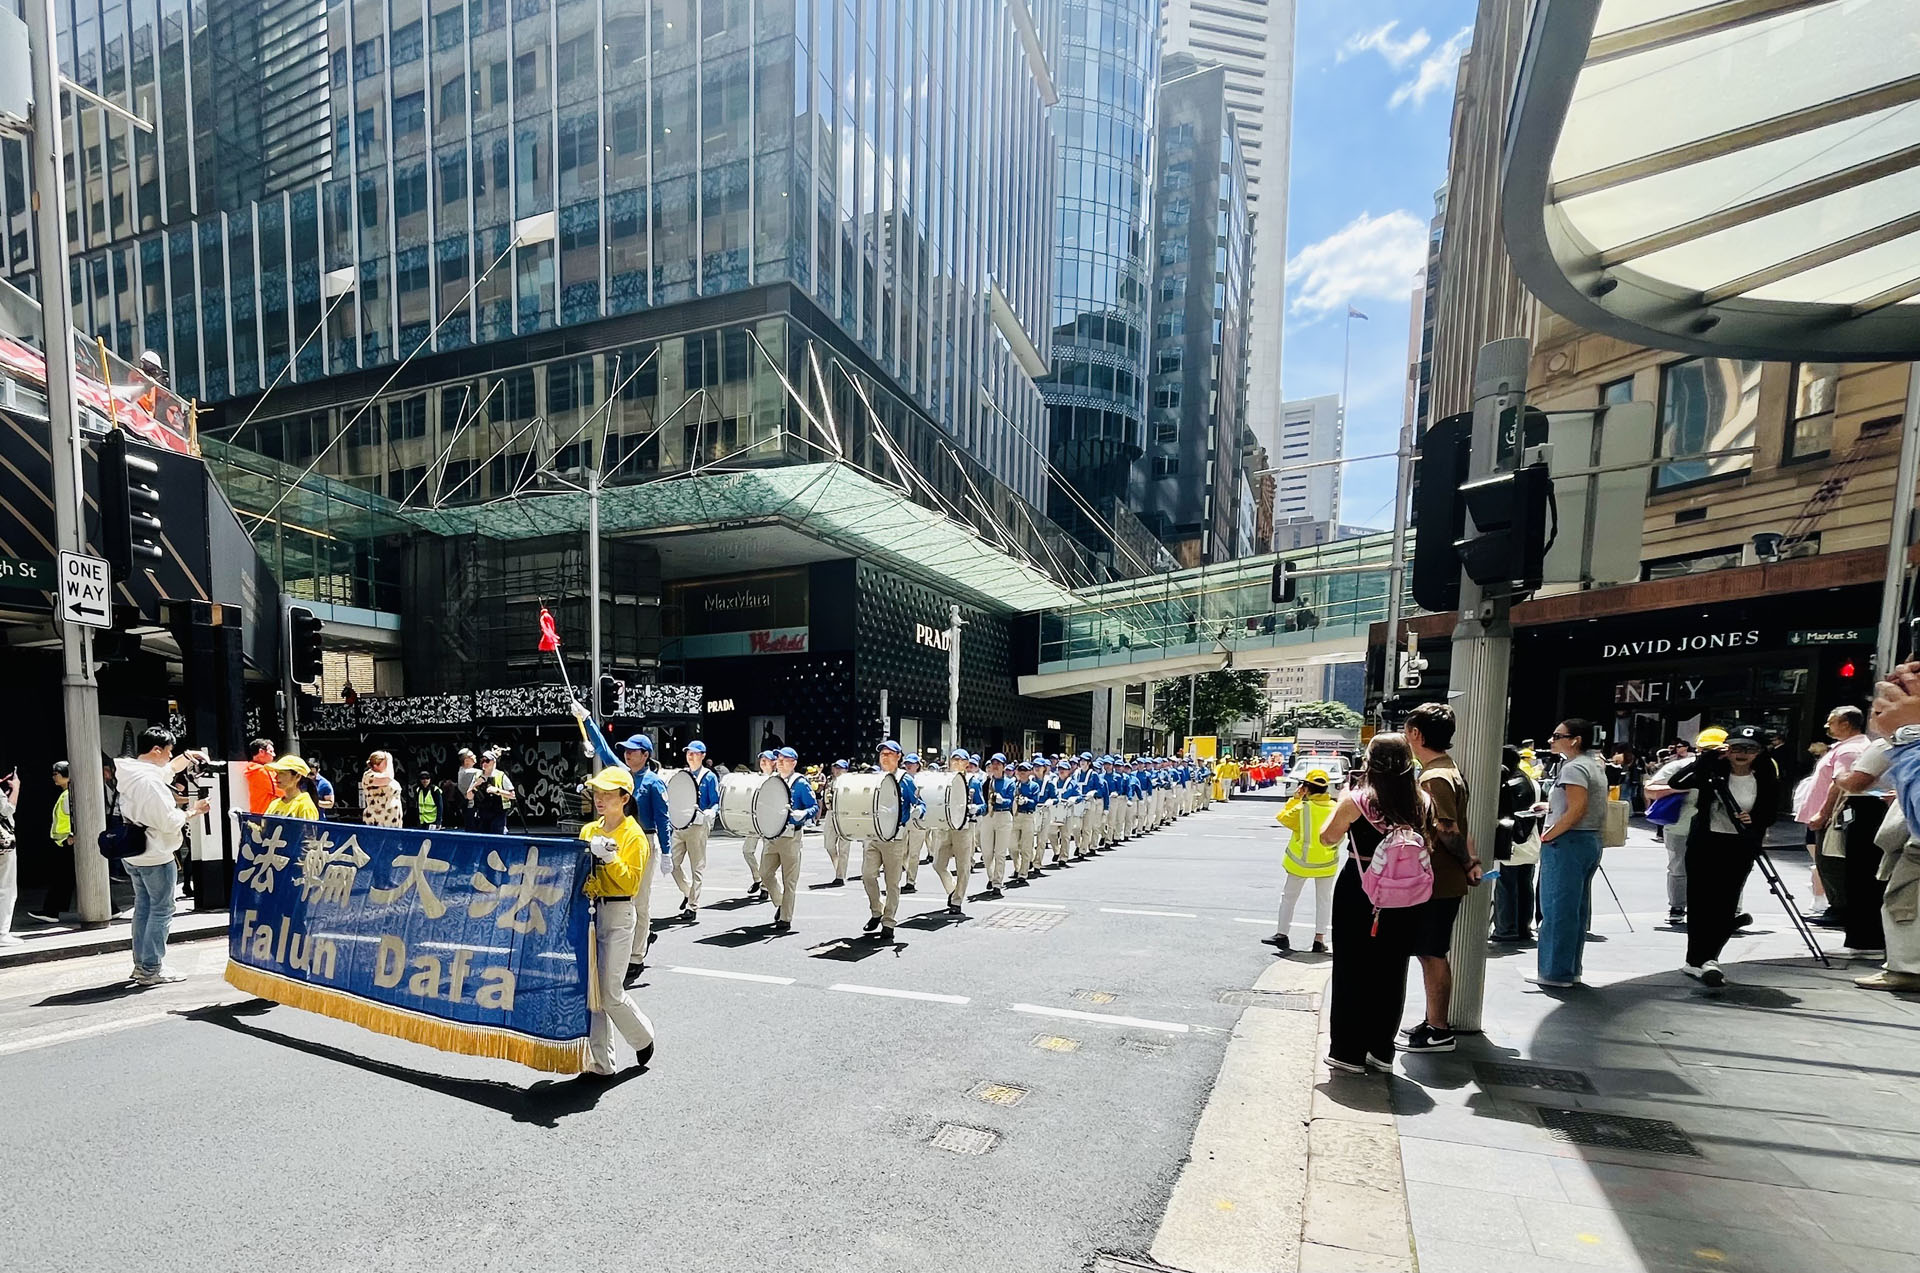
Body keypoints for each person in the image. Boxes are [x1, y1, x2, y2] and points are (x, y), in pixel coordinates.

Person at [1317, 734, 1426, 1072]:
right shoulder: (1422, 800)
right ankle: (1381, 1050)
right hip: (1406, 892)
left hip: (1361, 885)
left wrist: (1341, 801)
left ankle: (1348, 1051)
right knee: (1393, 969)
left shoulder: (1357, 800)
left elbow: (1328, 836)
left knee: (1352, 966)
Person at [1667, 725, 1780, 986]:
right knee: (1700, 901)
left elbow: (1770, 812)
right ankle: (1695, 960)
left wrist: (1755, 819)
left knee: (1726, 902)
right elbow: (1676, 783)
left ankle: (1710, 958)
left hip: (1740, 845)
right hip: (1706, 842)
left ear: (1760, 752)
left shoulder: (1764, 775)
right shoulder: (1713, 771)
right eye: (1736, 748)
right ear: (1726, 750)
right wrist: (1704, 759)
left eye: (1750, 749)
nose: (1742, 754)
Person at [1402, 701, 1480, 1053]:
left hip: (1436, 879)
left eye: (1407, 730)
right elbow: (1461, 826)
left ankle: (1438, 1029)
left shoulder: (1434, 777)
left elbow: (1448, 828)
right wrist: (1472, 860)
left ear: (1416, 734)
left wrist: (1465, 863)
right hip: (1441, 879)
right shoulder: (1448, 770)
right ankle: (1434, 1020)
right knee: (1429, 950)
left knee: (1431, 952)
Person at [578, 765, 656, 1075]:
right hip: (589, 913)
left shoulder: (634, 835)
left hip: (619, 913)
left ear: (624, 798)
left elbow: (630, 885)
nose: (600, 798)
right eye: (597, 792)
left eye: (608, 794)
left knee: (610, 992)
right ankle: (601, 1063)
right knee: (592, 992)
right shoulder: (588, 831)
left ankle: (642, 1036)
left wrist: (610, 859)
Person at [116, 728, 209, 985]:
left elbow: (164, 771)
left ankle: (142, 965)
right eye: (168, 752)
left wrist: (186, 758)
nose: (170, 758)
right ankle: (151, 968)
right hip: (155, 853)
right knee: (161, 910)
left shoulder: (132, 773)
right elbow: (168, 821)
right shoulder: (151, 782)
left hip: (134, 852)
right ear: (157, 750)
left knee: (144, 909)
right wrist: (193, 811)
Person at [1533, 718, 1608, 988]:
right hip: (1587, 840)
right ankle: (1569, 969)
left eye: (1557, 735)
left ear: (1574, 739)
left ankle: (1555, 972)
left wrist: (1549, 834)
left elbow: (1577, 809)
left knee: (1556, 908)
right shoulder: (1594, 764)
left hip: (1568, 842)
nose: (1551, 740)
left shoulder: (1574, 767)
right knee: (1573, 909)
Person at [1799, 706, 1871, 927]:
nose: (1827, 727)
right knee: (1825, 859)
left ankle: (1840, 907)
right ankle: (1837, 906)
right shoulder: (1846, 747)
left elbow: (1839, 783)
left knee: (1830, 861)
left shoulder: (1850, 751)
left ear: (1846, 724)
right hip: (1830, 816)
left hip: (1834, 817)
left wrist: (1824, 813)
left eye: (1831, 722)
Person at [1267, 767, 1337, 953]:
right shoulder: (1335, 808)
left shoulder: (1302, 808)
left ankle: (1282, 934)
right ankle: (1319, 939)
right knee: (1324, 900)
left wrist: (1296, 798)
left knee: (1289, 898)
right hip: (1327, 862)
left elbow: (1282, 818)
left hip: (1300, 862)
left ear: (1306, 788)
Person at [1643, 734, 1710, 924]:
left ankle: (1727, 910)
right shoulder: (1680, 767)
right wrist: (1680, 788)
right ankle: (1677, 906)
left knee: (1720, 870)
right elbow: (1650, 790)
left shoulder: (1732, 770)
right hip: (1680, 826)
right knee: (1678, 867)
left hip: (1718, 828)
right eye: (1706, 750)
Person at [861, 741, 915, 942]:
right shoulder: (875, 778)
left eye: (890, 754)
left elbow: (918, 802)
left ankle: (889, 921)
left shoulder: (905, 779)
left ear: (899, 757)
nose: (885, 757)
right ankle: (877, 910)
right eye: (882, 754)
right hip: (874, 835)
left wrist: (919, 810)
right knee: (867, 875)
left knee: (892, 882)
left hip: (894, 837)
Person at [1491, 745, 1542, 943]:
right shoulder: (1532, 782)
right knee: (1524, 885)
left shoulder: (1507, 784)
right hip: (1532, 840)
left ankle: (1506, 928)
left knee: (1506, 886)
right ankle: (1523, 927)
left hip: (1512, 841)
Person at [762, 747, 815, 933]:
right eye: (779, 759)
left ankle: (785, 917)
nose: (780, 762)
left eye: (785, 759)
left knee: (789, 879)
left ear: (794, 762)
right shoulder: (772, 781)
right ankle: (780, 902)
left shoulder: (800, 783)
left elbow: (813, 806)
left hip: (791, 835)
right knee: (765, 873)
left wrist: (804, 814)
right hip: (772, 834)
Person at [673, 740, 720, 920]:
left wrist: (711, 812)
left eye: (694, 754)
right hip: (680, 824)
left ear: (703, 756)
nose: (691, 756)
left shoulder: (709, 776)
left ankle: (693, 906)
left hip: (698, 825)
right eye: (689, 753)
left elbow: (715, 801)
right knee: (673, 863)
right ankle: (687, 891)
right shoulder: (683, 774)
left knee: (697, 867)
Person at [31, 761, 76, 924]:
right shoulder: (66, 794)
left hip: (66, 842)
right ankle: (52, 911)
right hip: (65, 842)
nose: (53, 777)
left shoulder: (68, 795)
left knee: (62, 878)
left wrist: (72, 836)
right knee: (66, 878)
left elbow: (75, 817)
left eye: (56, 773)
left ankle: (51, 911)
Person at [933, 748, 976, 916]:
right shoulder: (945, 780)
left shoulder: (973, 781)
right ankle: (952, 889)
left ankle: (957, 901)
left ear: (966, 764)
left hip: (964, 828)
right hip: (946, 825)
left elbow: (982, 804)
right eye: (954, 760)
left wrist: (975, 808)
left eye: (961, 760)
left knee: (963, 866)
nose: (957, 763)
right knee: (938, 864)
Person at [743, 750, 776, 899]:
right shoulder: (755, 778)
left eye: (766, 759)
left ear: (774, 762)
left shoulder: (777, 779)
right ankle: (757, 878)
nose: (763, 762)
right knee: (747, 850)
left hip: (769, 820)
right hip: (754, 819)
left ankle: (765, 886)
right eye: (762, 759)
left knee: (766, 854)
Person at [466, 748, 515, 834]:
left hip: (498, 813)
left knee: (497, 838)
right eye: (482, 761)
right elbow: (469, 796)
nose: (484, 763)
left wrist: (497, 791)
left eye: (487, 761)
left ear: (494, 762)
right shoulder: (478, 775)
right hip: (482, 813)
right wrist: (475, 784)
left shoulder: (500, 775)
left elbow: (512, 795)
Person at [820, 759, 852, 887]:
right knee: (829, 845)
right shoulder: (830, 781)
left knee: (844, 847)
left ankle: (840, 875)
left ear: (846, 770)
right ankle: (839, 868)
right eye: (836, 767)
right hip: (831, 813)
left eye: (840, 768)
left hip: (845, 814)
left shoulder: (850, 783)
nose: (837, 770)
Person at [900, 753, 927, 894]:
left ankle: (910, 881)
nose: (908, 765)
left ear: (918, 765)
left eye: (912, 763)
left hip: (919, 820)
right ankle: (905, 872)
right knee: (902, 851)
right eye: (906, 763)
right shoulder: (901, 778)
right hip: (905, 819)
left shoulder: (924, 779)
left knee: (914, 853)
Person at [359, 751, 404, 828]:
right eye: (385, 763)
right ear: (376, 765)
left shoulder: (388, 775)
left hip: (393, 821)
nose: (387, 765)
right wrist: (389, 760)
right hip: (378, 820)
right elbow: (388, 778)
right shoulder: (369, 776)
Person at [0, 767, 17, 946]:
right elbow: (7, 810)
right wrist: (16, 788)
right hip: (2, 843)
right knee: (6, 888)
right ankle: (2, 933)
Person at [243, 739, 277, 815]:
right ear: (261, 752)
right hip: (268, 815)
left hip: (258, 813)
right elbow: (280, 790)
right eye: (271, 752)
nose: (274, 755)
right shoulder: (261, 771)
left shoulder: (253, 769)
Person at [455, 747, 482, 826]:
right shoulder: (467, 772)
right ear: (466, 760)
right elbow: (486, 772)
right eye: (472, 755)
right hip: (471, 808)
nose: (475, 756)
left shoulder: (464, 771)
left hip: (470, 807)